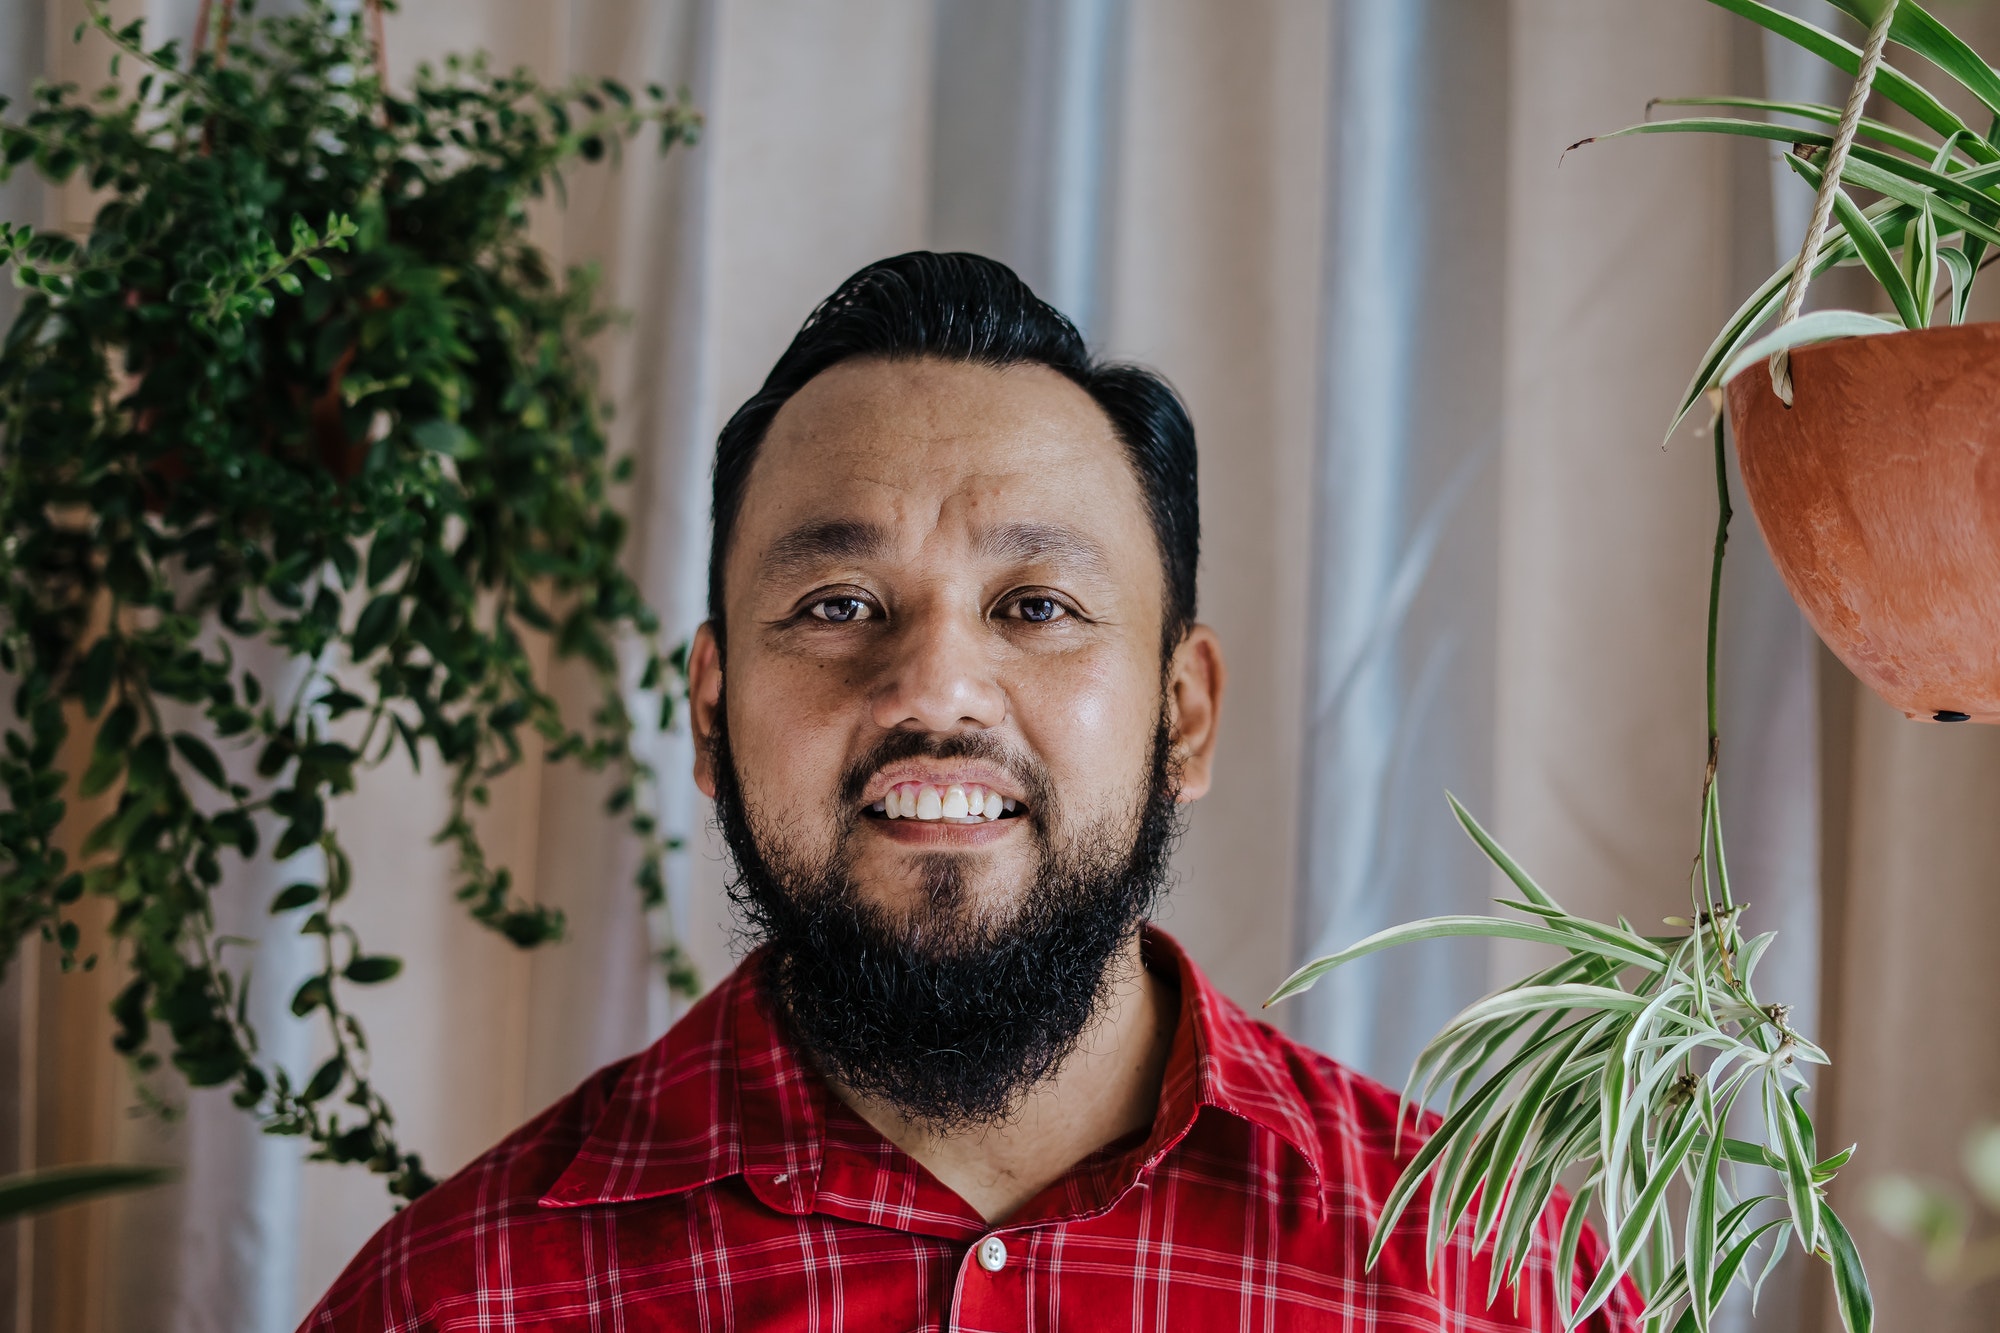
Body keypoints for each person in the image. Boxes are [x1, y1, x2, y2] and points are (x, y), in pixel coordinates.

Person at [302, 252, 1636, 1331]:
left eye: (1037, 605)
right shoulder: (455, 1302)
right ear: (710, 710)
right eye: (837, 604)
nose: (936, 688)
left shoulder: (1496, 1285)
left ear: (1185, 712)